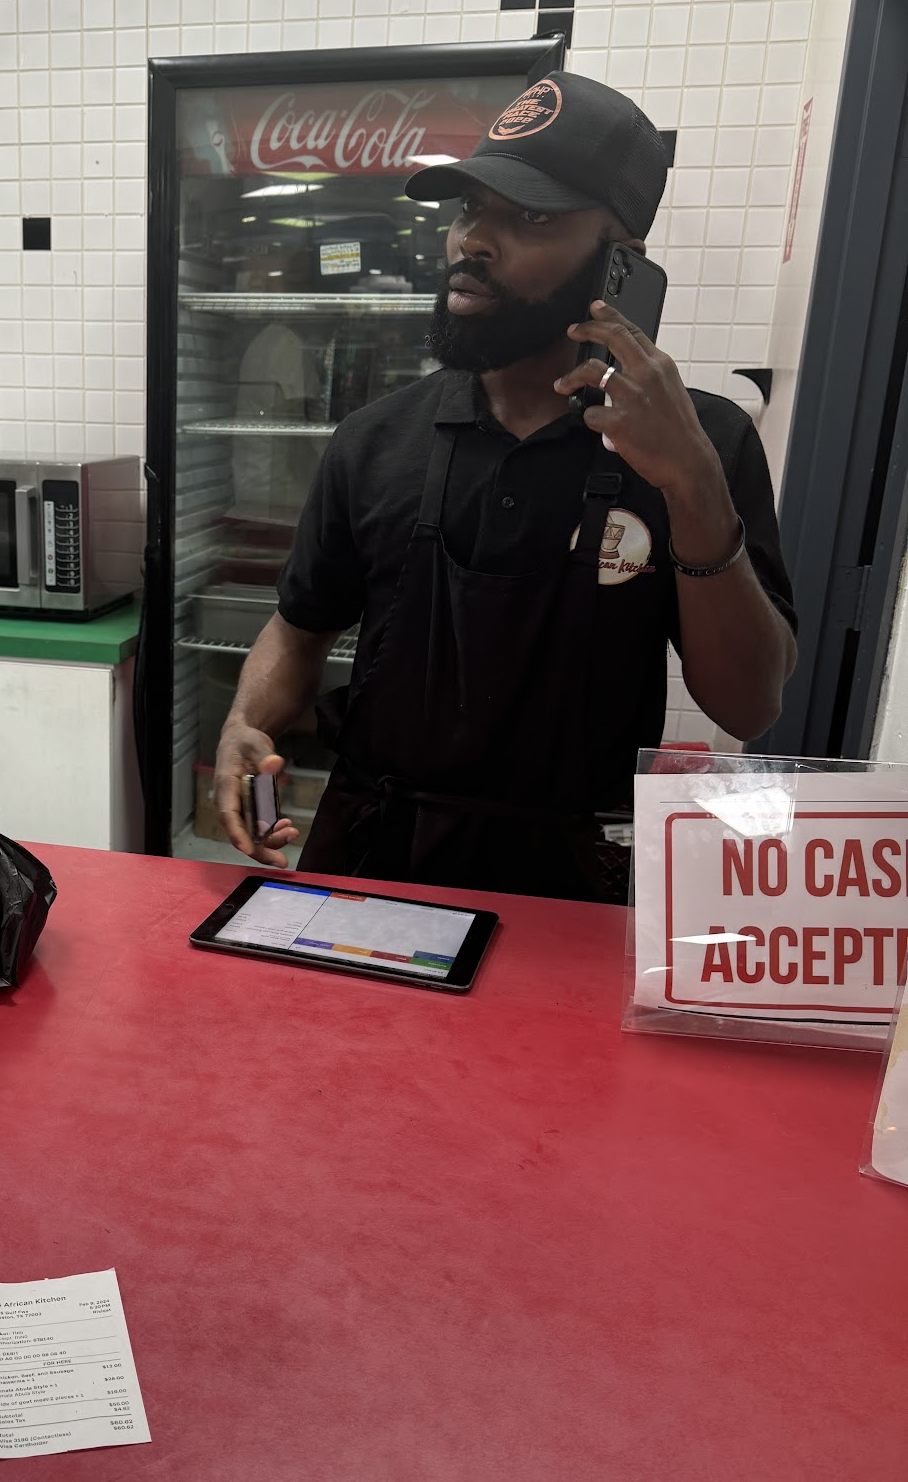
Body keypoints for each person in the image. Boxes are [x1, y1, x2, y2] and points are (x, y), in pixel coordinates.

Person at [213, 71, 797, 902]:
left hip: (576, 881)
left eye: (531, 218)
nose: (473, 242)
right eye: (469, 209)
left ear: (622, 262)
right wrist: (246, 722)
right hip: (373, 862)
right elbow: (300, 629)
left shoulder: (707, 442)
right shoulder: (374, 440)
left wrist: (693, 486)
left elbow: (748, 706)